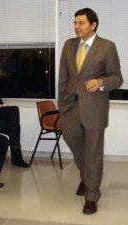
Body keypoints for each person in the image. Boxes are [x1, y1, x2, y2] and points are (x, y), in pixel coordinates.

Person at [58, 8, 123, 215]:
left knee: (93, 153)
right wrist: (61, 105)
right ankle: (86, 178)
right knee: (77, 149)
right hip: (70, 107)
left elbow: (117, 78)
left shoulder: (107, 47)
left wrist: (101, 82)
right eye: (75, 22)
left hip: (94, 107)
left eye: (81, 23)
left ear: (93, 25)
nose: (76, 26)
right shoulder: (68, 45)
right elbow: (63, 77)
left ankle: (92, 195)